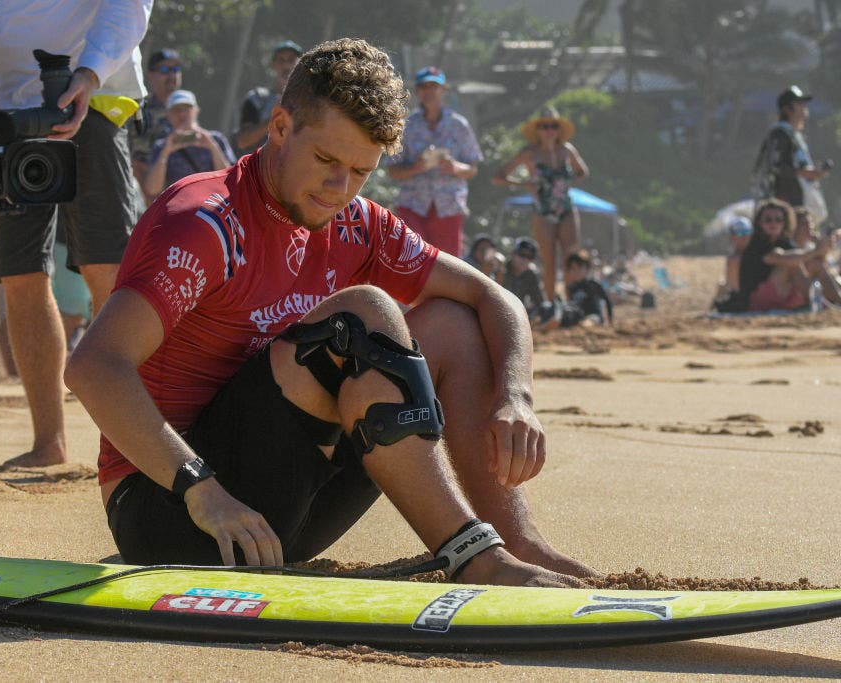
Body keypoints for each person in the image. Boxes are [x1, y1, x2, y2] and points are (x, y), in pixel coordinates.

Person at [65, 38, 593, 587]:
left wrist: (516, 397)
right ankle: (474, 557)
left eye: (361, 170)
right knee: (365, 313)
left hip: (278, 522)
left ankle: (516, 543)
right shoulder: (205, 221)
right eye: (326, 161)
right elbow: (94, 366)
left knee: (452, 326)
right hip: (178, 513)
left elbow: (494, 297)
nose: (339, 189)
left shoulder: (356, 221)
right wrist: (203, 490)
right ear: (279, 127)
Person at [0, 0, 152, 466]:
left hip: (96, 97)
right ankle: (49, 443)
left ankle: (134, 443)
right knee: (20, 275)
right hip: (0, 106)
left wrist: (90, 71)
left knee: (109, 269)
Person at [493, 106, 589, 302]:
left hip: (566, 210)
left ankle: (573, 303)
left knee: (571, 259)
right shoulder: (529, 153)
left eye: (553, 126)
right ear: (537, 130)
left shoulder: (567, 150)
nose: (549, 130)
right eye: (544, 126)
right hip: (542, 212)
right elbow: (498, 177)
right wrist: (524, 184)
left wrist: (567, 181)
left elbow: (583, 172)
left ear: (559, 129)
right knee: (549, 261)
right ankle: (551, 304)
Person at [385, 66, 483, 257]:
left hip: (448, 207)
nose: (428, 91)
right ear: (417, 91)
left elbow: (473, 169)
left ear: (443, 90)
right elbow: (392, 170)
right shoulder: (405, 125)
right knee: (411, 262)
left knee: (448, 266)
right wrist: (414, 168)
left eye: (434, 86)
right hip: (412, 206)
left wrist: (455, 167)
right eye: (424, 86)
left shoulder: (459, 125)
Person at [739, 198, 841, 311]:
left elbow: (813, 262)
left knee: (814, 264)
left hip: (781, 294)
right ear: (760, 223)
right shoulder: (757, 244)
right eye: (768, 219)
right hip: (756, 301)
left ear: (785, 222)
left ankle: (838, 301)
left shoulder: (784, 242)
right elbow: (779, 258)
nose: (773, 223)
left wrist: (822, 247)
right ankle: (825, 307)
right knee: (792, 265)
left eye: (778, 219)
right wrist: (816, 250)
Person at [752, 86, 832, 223]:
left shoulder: (794, 134)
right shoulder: (780, 133)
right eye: (799, 103)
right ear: (787, 109)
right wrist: (806, 172)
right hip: (784, 204)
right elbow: (775, 167)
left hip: (798, 201)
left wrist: (812, 172)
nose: (804, 107)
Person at [143, 90, 235, 198]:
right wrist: (165, 153)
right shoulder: (161, 146)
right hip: (179, 205)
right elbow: (153, 189)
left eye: (186, 108)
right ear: (168, 115)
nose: (181, 114)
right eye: (176, 110)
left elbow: (232, 180)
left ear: (196, 110)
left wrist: (213, 148)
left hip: (213, 204)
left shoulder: (216, 139)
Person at [234, 40, 302, 156]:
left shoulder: (309, 101)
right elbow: (242, 141)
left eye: (291, 60)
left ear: (300, 65)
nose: (286, 66)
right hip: (259, 164)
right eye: (281, 60)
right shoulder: (256, 99)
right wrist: (275, 117)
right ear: (273, 65)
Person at [131, 47, 181, 199]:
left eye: (175, 69)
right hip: (149, 196)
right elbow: (137, 163)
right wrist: (150, 203)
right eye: (165, 69)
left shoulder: (186, 110)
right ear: (151, 75)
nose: (172, 75)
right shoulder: (140, 110)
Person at [558, 249, 613, 328]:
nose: (576, 272)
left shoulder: (593, 284)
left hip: (594, 316)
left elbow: (607, 300)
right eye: (573, 269)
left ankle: (583, 325)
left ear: (587, 269)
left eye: (579, 268)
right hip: (579, 316)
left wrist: (610, 319)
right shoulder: (571, 287)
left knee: (590, 321)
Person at [712, 216, 752, 312]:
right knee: (721, 284)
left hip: (745, 298)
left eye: (747, 232)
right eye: (739, 233)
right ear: (732, 236)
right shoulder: (734, 256)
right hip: (737, 297)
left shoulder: (753, 253)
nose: (744, 236)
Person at [503, 237, 546, 318]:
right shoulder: (501, 270)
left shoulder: (531, 275)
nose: (525, 259)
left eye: (530, 257)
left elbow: (539, 302)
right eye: (521, 254)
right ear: (512, 254)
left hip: (517, 315)